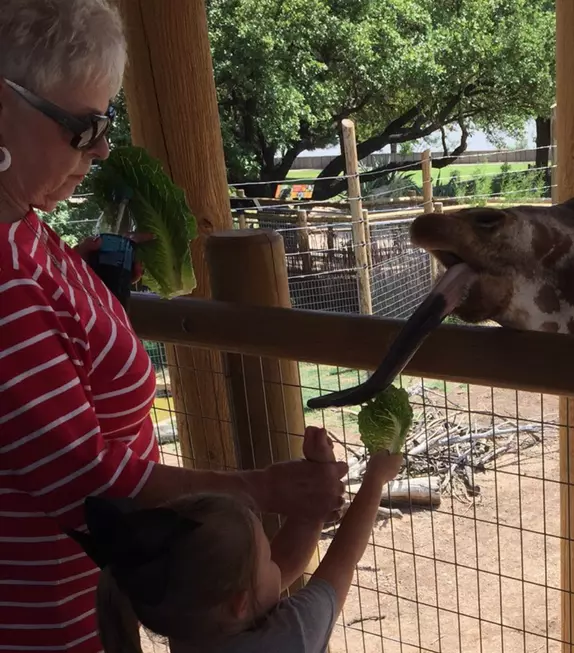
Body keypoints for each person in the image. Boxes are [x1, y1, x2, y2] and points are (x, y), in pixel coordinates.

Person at [0, 1, 349, 651]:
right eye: (82, 127)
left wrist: (88, 285)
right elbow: (93, 487)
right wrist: (267, 489)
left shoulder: (21, 224)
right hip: (49, 623)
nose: (102, 147)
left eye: (105, 122)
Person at [70, 426, 403, 653]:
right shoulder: (287, 640)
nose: (277, 561)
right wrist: (376, 477)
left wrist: (317, 486)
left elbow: (270, 575)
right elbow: (341, 563)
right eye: (267, 558)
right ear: (239, 603)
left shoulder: (186, 620)